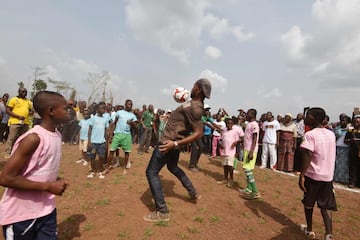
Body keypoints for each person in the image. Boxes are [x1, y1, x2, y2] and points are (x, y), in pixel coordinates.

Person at [0, 91, 70, 239]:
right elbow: (6, 178)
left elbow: (38, 169)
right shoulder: (33, 139)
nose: (69, 112)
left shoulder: (56, 135)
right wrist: (48, 186)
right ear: (50, 111)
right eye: (65, 109)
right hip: (21, 215)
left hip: (47, 211)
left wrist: (55, 179)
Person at [143, 78, 211, 222]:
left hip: (167, 143)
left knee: (151, 172)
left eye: (193, 86)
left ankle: (162, 211)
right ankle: (193, 192)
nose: (191, 89)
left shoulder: (195, 108)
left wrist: (174, 144)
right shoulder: (194, 105)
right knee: (173, 167)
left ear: (198, 89)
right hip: (173, 144)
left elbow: (198, 132)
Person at [299, 107, 337, 240]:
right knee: (326, 207)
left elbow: (308, 154)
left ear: (315, 118)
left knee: (309, 203)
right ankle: (329, 234)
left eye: (308, 115)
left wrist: (302, 175)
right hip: (327, 177)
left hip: (313, 176)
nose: (305, 118)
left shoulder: (310, 135)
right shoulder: (331, 134)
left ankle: (309, 230)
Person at [107, 99, 138, 174]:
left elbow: (136, 126)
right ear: (125, 104)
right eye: (128, 104)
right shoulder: (119, 113)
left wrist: (131, 123)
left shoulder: (132, 115)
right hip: (117, 134)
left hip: (127, 135)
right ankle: (107, 167)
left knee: (126, 152)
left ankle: (125, 168)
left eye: (130, 104)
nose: (129, 106)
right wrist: (111, 134)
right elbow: (115, 123)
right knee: (112, 151)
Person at [239, 108, 261, 200]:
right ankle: (249, 188)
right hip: (247, 149)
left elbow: (255, 139)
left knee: (247, 169)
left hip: (251, 150)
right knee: (246, 168)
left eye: (247, 114)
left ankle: (255, 192)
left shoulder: (255, 125)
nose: (246, 115)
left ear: (252, 115)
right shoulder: (249, 124)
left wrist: (251, 152)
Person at [216, 117, 244, 188]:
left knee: (230, 167)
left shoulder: (234, 131)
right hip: (224, 151)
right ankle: (225, 179)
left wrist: (236, 143)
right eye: (228, 124)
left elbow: (240, 139)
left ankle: (231, 179)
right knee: (225, 166)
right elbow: (220, 139)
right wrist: (220, 144)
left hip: (231, 152)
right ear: (226, 124)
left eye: (231, 124)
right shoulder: (224, 131)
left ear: (233, 124)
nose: (229, 125)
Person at [5, 87, 33, 157]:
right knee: (12, 138)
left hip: (25, 123)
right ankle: (8, 153)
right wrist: (18, 116)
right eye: (23, 91)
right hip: (15, 122)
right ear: (19, 92)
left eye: (26, 92)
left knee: (22, 138)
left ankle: (18, 152)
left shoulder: (28, 101)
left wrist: (31, 112)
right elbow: (8, 111)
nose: (24, 93)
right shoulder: (13, 100)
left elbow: (31, 111)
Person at [87, 102, 109, 179]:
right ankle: (93, 171)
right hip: (93, 142)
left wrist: (106, 142)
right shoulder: (93, 118)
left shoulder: (105, 119)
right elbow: (90, 130)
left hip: (102, 142)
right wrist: (89, 141)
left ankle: (99, 171)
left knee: (101, 157)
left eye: (104, 108)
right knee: (92, 157)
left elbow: (106, 131)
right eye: (101, 108)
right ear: (97, 109)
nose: (103, 109)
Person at [333, 115, 351, 184]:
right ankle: (336, 177)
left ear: (347, 121)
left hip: (346, 148)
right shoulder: (337, 129)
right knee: (336, 163)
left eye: (344, 120)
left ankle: (343, 179)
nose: (342, 122)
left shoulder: (350, 128)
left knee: (344, 165)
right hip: (337, 147)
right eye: (341, 120)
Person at [344, 115, 360, 188]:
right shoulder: (351, 130)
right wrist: (351, 140)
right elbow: (345, 140)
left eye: (358, 122)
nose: (357, 123)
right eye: (355, 122)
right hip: (353, 151)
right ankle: (352, 182)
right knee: (353, 167)